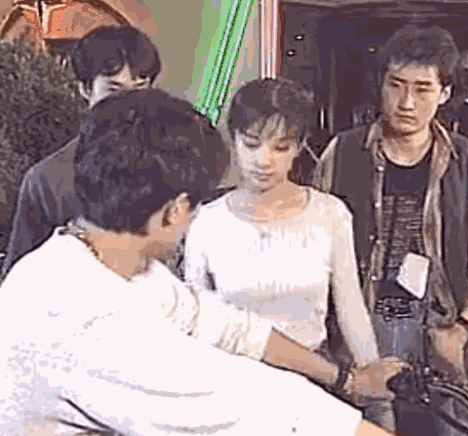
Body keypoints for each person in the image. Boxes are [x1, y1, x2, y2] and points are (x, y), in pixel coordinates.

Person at [0, 88, 404, 436]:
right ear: (175, 210)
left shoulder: (104, 261)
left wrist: (345, 378)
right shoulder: (87, 317)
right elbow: (257, 402)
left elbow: (224, 324)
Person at [311, 25, 468, 435]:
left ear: (444, 93)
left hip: (439, 328)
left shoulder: (466, 159)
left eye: (422, 89)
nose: (407, 103)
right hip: (360, 325)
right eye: (396, 85)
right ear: (380, 85)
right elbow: (312, 253)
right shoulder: (342, 152)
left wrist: (462, 329)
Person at [184, 78, 380, 380]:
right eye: (251, 144)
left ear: (299, 147)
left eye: (281, 147)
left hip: (313, 375)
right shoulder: (206, 221)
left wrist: (371, 373)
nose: (263, 160)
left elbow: (351, 308)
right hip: (232, 379)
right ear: (234, 139)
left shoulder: (329, 214)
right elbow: (196, 318)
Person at [2, 25, 194, 275]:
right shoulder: (48, 180)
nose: (129, 104)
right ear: (84, 89)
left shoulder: (177, 164)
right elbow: (21, 277)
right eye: (114, 90)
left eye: (139, 89)